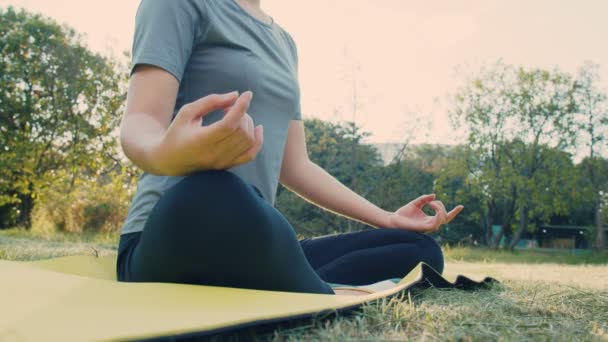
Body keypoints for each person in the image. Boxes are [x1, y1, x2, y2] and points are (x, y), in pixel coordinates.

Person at [116, 0, 464, 295]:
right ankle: (317, 294)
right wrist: (170, 154)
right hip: (177, 228)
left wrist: (387, 218)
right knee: (217, 190)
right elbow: (139, 121)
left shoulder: (284, 42)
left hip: (252, 235)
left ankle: (294, 282)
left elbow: (296, 165)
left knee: (418, 251)